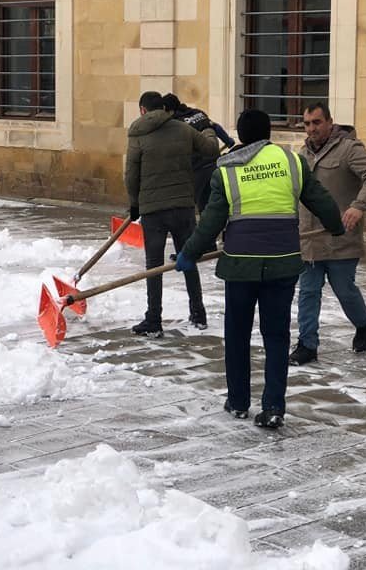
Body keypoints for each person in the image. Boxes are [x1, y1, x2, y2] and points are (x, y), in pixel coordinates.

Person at [175, 109, 344, 429]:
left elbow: (211, 221)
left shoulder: (225, 170)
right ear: (268, 133)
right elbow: (319, 199)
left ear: (240, 135)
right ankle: (274, 406)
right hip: (283, 264)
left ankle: (238, 401)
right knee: (277, 336)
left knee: (237, 334)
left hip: (240, 266)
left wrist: (189, 252)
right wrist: (336, 226)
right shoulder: (292, 162)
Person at [289, 102, 366, 365]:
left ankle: (364, 322)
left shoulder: (349, 149)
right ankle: (307, 344)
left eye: (317, 122)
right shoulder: (302, 154)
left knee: (344, 289)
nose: (312, 129)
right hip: (309, 238)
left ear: (330, 122)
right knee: (308, 292)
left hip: (340, 237)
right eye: (307, 124)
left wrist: (359, 206)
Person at [125, 91, 220, 335]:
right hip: (182, 207)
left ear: (143, 110)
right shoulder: (183, 129)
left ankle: (153, 319)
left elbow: (131, 176)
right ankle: (198, 313)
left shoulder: (137, 135)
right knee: (188, 258)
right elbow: (211, 149)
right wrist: (208, 127)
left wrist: (134, 204)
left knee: (153, 265)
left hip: (152, 209)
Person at [162, 93, 236, 212]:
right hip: (215, 165)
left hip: (198, 169)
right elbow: (215, 127)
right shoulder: (198, 113)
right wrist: (228, 140)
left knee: (198, 205)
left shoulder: (176, 124)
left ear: (168, 110)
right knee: (215, 202)